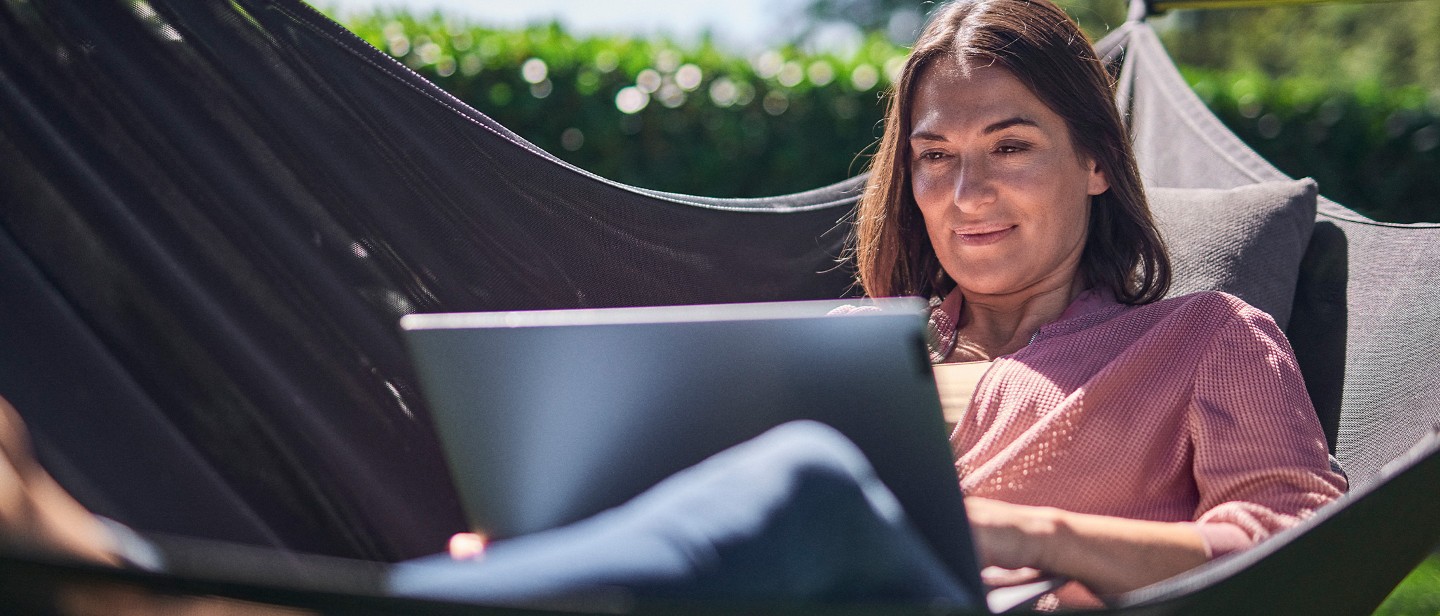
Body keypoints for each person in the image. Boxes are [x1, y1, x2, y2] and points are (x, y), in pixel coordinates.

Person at [0, 0, 1344, 610]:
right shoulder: (850, 350)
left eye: (1010, 146)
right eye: (934, 155)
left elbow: (1300, 551)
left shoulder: (1205, 340)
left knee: (817, 483)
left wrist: (997, 527)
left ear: (1097, 163)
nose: (965, 189)